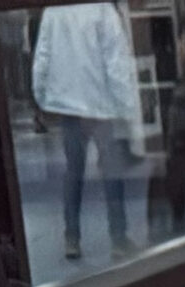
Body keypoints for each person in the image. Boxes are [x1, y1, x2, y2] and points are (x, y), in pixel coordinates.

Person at [29, 1, 141, 264]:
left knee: (73, 172)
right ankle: (119, 238)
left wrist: (41, 97)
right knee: (111, 171)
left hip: (70, 108)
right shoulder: (103, 9)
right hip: (101, 106)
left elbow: (42, 56)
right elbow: (116, 61)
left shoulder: (53, 10)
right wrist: (126, 105)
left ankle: (72, 238)